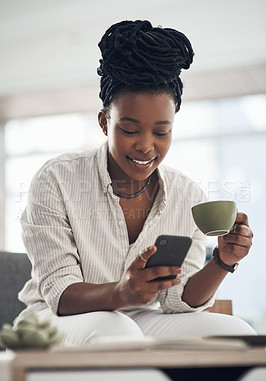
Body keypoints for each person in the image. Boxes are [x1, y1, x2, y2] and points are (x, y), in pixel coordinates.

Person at [15, 20, 256, 345]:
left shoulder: (187, 195)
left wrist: (223, 260)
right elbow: (61, 293)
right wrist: (121, 292)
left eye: (161, 132)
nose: (145, 146)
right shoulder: (56, 179)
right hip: (59, 317)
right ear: (105, 122)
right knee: (118, 333)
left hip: (138, 317)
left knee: (236, 334)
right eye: (129, 130)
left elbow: (177, 302)